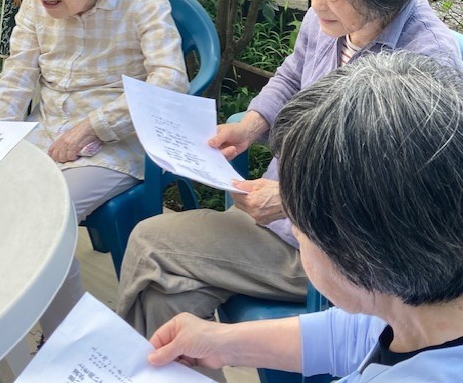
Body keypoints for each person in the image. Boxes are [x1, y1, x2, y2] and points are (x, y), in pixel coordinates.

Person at [117, 0, 462, 375]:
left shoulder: (424, 69)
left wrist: (288, 201)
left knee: (152, 247)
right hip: (289, 219)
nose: (315, 3)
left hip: (335, 243)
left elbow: (398, 204)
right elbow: (292, 73)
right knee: (163, 292)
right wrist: (250, 125)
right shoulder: (330, 20)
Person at [147, 51, 463, 381]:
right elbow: (356, 334)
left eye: (298, 223)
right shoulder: (413, 310)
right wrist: (220, 342)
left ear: (359, 253)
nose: (295, 232)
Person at [0, 0, 189, 336]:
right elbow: (16, 74)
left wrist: (93, 127)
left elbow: (170, 82)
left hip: (114, 145)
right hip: (45, 131)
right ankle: (2, 332)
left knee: (39, 221)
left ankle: (68, 341)